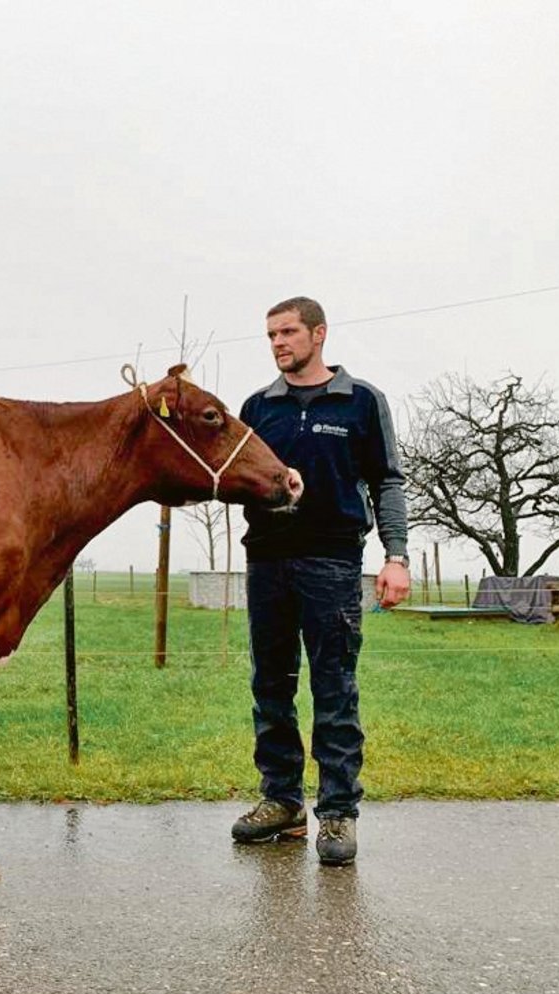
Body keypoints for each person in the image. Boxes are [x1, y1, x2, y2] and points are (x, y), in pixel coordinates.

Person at [231, 296, 411, 865]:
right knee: (272, 686)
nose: (278, 343)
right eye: (270, 335)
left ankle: (337, 815)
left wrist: (396, 556)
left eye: (287, 332)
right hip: (266, 561)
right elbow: (239, 477)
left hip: (332, 563)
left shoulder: (360, 401)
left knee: (334, 689)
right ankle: (281, 803)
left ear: (318, 334)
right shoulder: (258, 407)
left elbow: (387, 481)